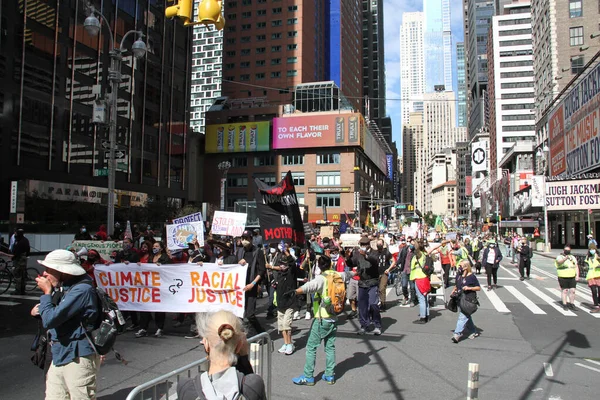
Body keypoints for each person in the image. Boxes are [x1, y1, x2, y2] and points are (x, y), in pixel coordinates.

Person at [30, 250, 100, 399]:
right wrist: (42, 306)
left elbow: (50, 320)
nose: (45, 274)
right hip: (60, 353)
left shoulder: (82, 290)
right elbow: (53, 312)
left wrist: (47, 294)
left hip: (77, 356)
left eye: (49, 270)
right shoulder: (66, 288)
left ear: (62, 270)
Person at [291, 255, 353, 386]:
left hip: (322, 318)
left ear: (319, 266)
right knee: (330, 347)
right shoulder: (338, 275)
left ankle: (308, 376)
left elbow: (309, 287)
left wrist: (295, 291)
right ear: (331, 264)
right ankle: (330, 375)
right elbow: (349, 274)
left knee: (311, 347)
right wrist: (356, 272)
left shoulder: (321, 278)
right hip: (335, 317)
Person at [176, 311, 267, 400]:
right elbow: (251, 387)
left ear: (206, 344)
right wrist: (244, 358)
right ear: (239, 345)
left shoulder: (186, 388)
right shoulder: (253, 385)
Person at [136, 241, 172, 338]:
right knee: (145, 306)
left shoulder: (165, 258)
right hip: (150, 285)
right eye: (154, 246)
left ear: (161, 248)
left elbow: (169, 270)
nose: (154, 248)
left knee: (159, 308)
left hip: (160, 286)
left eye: (156, 246)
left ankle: (160, 328)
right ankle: (143, 328)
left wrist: (162, 267)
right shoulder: (151, 257)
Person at [234, 230, 266, 337]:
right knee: (239, 313)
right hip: (240, 286)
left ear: (251, 239)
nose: (244, 241)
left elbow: (262, 270)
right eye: (243, 238)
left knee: (250, 314)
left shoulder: (258, 252)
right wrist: (238, 263)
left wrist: (253, 284)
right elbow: (233, 267)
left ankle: (261, 334)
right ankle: (244, 335)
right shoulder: (239, 252)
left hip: (251, 286)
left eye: (247, 239)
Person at [353, 236, 382, 335]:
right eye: (361, 245)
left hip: (372, 282)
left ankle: (377, 325)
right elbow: (351, 263)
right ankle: (364, 325)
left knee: (373, 304)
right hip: (362, 283)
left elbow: (375, 261)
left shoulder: (374, 252)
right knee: (362, 306)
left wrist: (366, 255)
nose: (363, 246)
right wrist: (346, 256)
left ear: (368, 244)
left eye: (364, 245)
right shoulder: (357, 253)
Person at [272, 252, 298, 355]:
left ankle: (290, 344)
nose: (282, 265)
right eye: (281, 264)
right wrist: (275, 284)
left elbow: (292, 262)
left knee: (287, 325)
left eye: (284, 263)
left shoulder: (291, 273)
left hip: (289, 303)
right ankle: (285, 343)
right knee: (282, 326)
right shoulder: (279, 274)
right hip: (280, 303)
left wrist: (287, 251)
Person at [451, 261, 481, 343]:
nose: (459, 268)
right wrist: (454, 290)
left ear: (466, 267)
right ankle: (473, 331)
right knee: (466, 315)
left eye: (460, 266)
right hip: (460, 298)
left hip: (468, 299)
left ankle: (457, 334)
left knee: (463, 316)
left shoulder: (471, 277)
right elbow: (457, 284)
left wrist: (469, 288)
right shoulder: (458, 276)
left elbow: (478, 288)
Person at [4, 228, 30, 295]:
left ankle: (18, 290)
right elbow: (28, 250)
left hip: (19, 260)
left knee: (17, 275)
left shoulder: (19, 241)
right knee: (23, 275)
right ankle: (22, 290)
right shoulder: (25, 240)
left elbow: (17, 252)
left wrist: (12, 258)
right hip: (23, 260)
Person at [409, 239, 430, 324]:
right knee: (425, 298)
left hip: (418, 277)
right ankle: (426, 315)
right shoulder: (425, 254)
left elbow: (417, 250)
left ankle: (422, 317)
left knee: (421, 298)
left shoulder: (419, 255)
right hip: (424, 277)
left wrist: (415, 244)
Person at [555, 245, 579, 311]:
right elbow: (559, 262)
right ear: (563, 250)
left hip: (572, 276)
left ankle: (572, 304)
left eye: (568, 250)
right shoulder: (559, 257)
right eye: (566, 250)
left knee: (572, 290)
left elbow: (576, 266)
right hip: (563, 276)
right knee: (565, 290)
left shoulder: (573, 257)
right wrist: (565, 259)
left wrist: (577, 275)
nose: (567, 251)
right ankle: (565, 304)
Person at [374, 239, 395, 311]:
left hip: (384, 273)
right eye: (377, 244)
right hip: (376, 273)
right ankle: (376, 302)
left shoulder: (386, 252)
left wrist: (389, 269)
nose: (378, 245)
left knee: (382, 288)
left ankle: (383, 303)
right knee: (376, 289)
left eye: (380, 244)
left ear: (382, 245)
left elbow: (393, 261)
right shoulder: (375, 253)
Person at [585, 244, 600, 313]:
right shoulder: (588, 257)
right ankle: (596, 305)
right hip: (590, 275)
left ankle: (598, 303)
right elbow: (585, 265)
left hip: (598, 275)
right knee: (594, 291)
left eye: (593, 249)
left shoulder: (598, 256)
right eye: (590, 249)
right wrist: (585, 267)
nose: (592, 250)